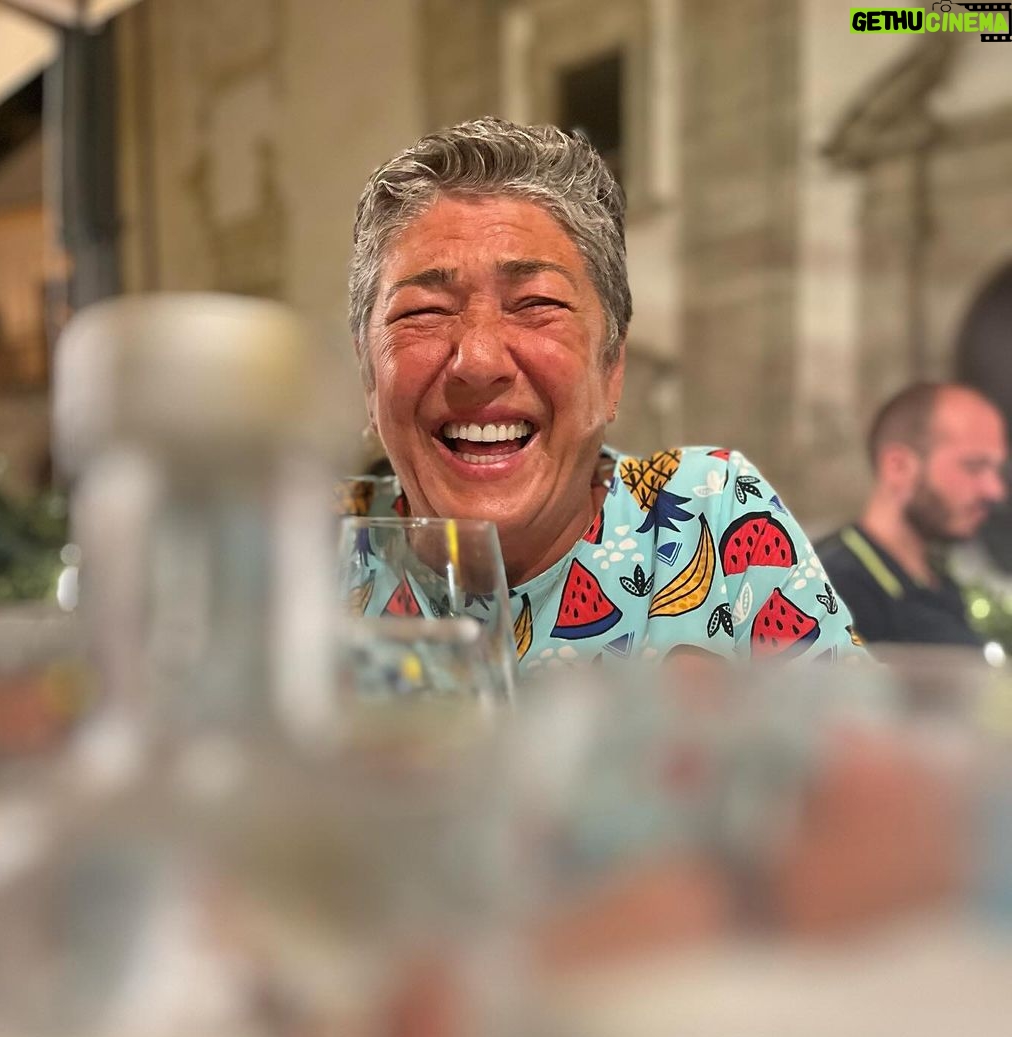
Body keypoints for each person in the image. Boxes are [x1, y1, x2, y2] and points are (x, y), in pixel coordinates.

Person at [347, 118, 860, 668]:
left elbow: (858, 722)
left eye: (536, 303)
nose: (478, 361)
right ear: (370, 376)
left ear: (611, 366)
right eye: (424, 311)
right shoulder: (302, 555)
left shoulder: (713, 516)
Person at [817, 383, 1008, 647]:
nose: (995, 490)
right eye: (974, 467)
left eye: (997, 470)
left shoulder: (938, 580)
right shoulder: (829, 592)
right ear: (898, 467)